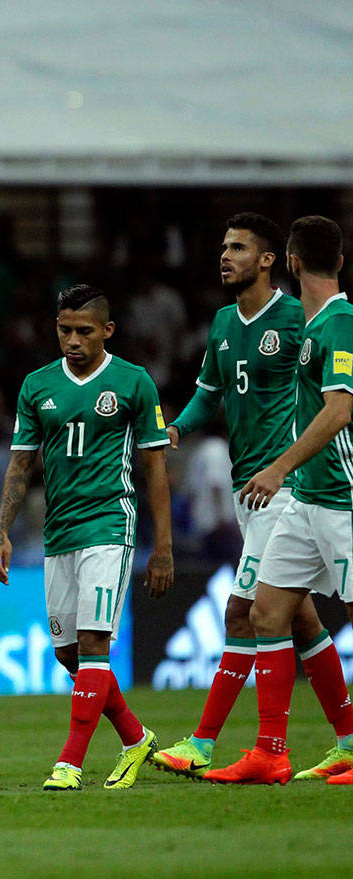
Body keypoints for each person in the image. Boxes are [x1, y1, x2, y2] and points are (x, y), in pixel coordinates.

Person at [153, 213, 331, 778]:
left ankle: (206, 743)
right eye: (223, 246)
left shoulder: (298, 319)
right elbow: (209, 396)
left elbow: (330, 396)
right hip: (244, 488)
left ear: (269, 259)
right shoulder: (225, 323)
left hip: (282, 487)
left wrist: (290, 466)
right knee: (298, 620)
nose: (225, 256)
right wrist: (178, 427)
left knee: (243, 612)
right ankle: (349, 739)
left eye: (237, 247)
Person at [0, 283, 173, 791]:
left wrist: (163, 546)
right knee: (69, 654)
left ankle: (69, 763)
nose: (72, 340)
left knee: (95, 644)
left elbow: (156, 468)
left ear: (107, 331)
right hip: (59, 530)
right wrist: (1, 532)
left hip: (110, 523)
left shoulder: (134, 382)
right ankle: (136, 740)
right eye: (64, 329)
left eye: (83, 331)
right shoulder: (38, 385)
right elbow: (21, 462)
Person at [205, 216, 353, 785]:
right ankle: (271, 752)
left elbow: (340, 410)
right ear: (337, 261)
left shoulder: (339, 324)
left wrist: (277, 467)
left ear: (289, 262)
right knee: (266, 613)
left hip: (339, 498)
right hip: (305, 502)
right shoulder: (313, 325)